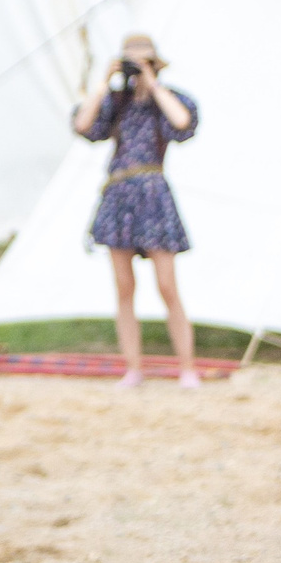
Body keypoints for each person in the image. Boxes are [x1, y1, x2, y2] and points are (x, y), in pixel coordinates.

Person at [73, 34, 202, 388]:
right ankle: (133, 368)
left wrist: (153, 83)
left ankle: (187, 367)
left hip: (153, 192)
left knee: (167, 286)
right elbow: (83, 125)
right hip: (119, 193)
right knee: (124, 287)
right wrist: (103, 83)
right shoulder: (116, 103)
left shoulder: (166, 100)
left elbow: (182, 122)